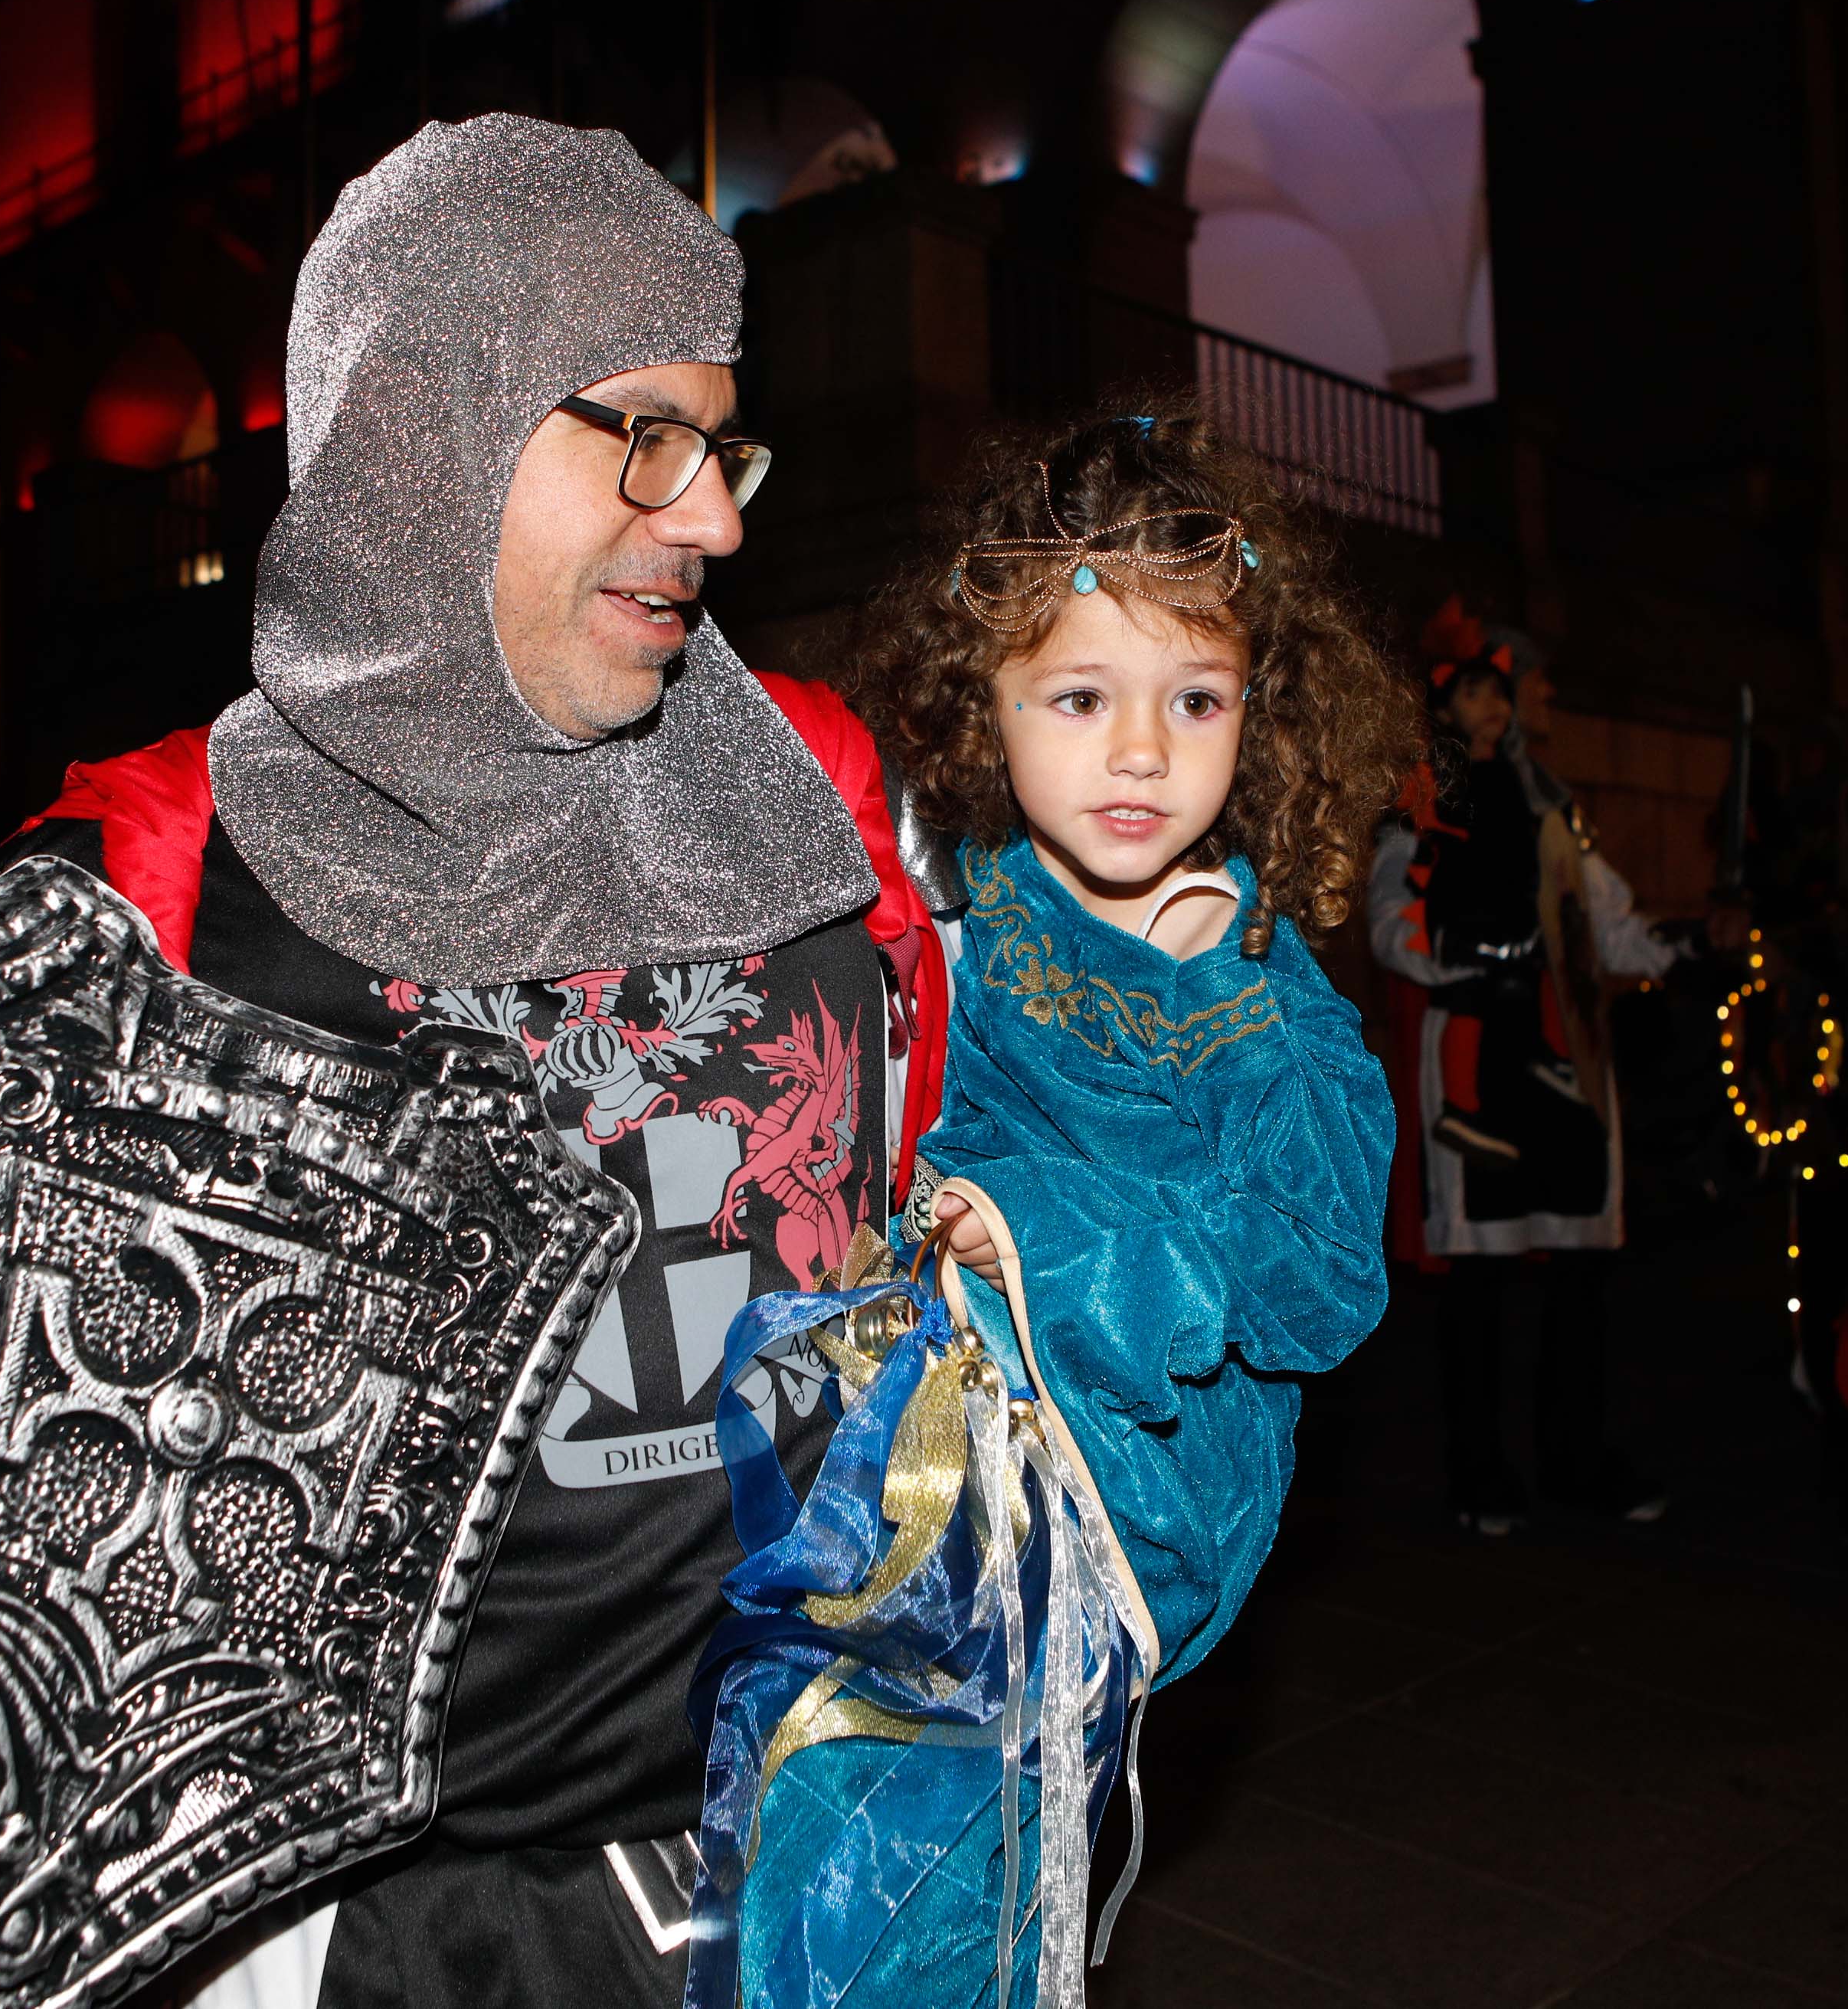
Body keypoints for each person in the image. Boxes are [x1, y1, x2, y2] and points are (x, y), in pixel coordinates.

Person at [0, 116, 953, 2009]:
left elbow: (991, 1220)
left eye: (725, 446)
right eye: (649, 440)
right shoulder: (146, 890)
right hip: (389, 1937)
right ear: (431, 424)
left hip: (838, 1864)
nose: (718, 519)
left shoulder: (824, 798)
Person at [685, 412, 1421, 2008]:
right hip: (917, 1457)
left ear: (1261, 715)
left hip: (1131, 1492)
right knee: (802, 1855)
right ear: (986, 706)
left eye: (1196, 699)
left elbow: (1319, 1280)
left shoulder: (1256, 998)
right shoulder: (958, 902)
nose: (1142, 752)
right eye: (1079, 698)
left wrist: (1045, 1237)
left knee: (920, 1884)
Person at [1366, 611, 1683, 1536]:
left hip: (1561, 1051)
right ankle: (1479, 1468)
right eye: (1475, 691)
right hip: (1478, 1053)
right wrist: (1477, 956)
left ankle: (1575, 1457)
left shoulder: (1546, 799)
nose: (1495, 708)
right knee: (1478, 1277)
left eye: (1499, 691)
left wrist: (1673, 950)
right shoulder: (1423, 804)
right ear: (1440, 703)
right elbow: (1395, 924)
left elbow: (1598, 910)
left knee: (1578, 1268)